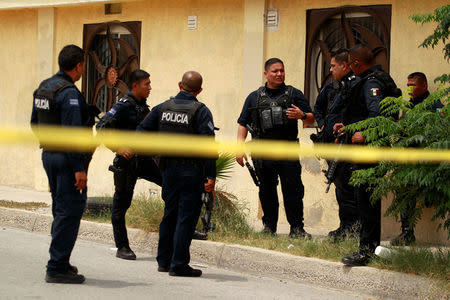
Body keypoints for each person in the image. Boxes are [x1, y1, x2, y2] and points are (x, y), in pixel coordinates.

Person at [137, 71, 216, 277]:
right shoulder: (201, 111)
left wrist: (155, 154)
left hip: (168, 170)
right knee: (186, 218)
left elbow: (141, 132)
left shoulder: (162, 108)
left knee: (170, 214)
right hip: (191, 171)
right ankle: (179, 264)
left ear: (179, 85)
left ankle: (164, 261)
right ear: (199, 90)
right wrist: (211, 176)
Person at [334, 44, 401, 266]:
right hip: (370, 148)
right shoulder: (379, 77)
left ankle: (366, 251)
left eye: (351, 65)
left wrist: (364, 134)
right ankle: (368, 248)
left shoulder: (371, 82)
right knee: (366, 200)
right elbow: (366, 114)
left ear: (356, 64)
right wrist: (350, 126)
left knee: (366, 201)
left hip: (368, 151)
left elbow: (377, 115)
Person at [31, 45, 92, 284]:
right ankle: (56, 267)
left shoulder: (43, 88)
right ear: (78, 66)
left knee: (60, 208)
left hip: (49, 155)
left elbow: (34, 123)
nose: (83, 69)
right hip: (68, 160)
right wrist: (79, 168)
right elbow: (72, 134)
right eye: (83, 65)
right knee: (70, 211)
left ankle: (62, 261)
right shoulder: (69, 93)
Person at [236, 58, 314, 238]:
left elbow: (311, 119)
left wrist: (302, 115)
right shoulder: (253, 97)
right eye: (275, 71)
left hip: (288, 151)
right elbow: (242, 123)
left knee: (293, 191)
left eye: (282, 71)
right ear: (266, 74)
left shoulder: (294, 94)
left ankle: (297, 229)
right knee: (267, 191)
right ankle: (269, 228)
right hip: (263, 153)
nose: (279, 74)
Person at [96, 69, 162, 260]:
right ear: (135, 85)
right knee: (121, 204)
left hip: (145, 160)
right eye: (146, 84)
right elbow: (101, 127)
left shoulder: (144, 107)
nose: (150, 87)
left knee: (171, 188)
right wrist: (116, 147)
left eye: (150, 83)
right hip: (127, 163)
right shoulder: (123, 105)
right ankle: (122, 246)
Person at [390, 72, 444, 246]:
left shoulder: (434, 105)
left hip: (426, 162)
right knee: (404, 192)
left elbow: (440, 132)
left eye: (413, 85)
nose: (409, 89)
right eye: (408, 85)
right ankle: (407, 232)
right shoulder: (409, 106)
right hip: (408, 162)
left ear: (425, 86)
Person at [313, 49, 359, 241]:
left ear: (344, 65)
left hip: (346, 146)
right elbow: (317, 108)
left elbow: (355, 114)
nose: (330, 69)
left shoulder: (354, 85)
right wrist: (323, 123)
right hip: (331, 146)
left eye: (333, 65)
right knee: (340, 189)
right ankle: (345, 226)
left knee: (348, 190)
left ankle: (352, 229)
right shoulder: (332, 87)